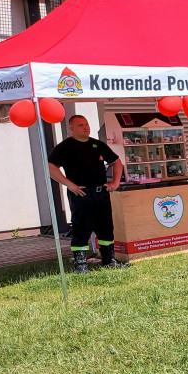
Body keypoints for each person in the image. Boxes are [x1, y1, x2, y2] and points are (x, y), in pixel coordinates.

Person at [47, 115, 125, 273]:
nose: (86, 127)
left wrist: (115, 182)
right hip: (81, 194)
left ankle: (108, 259)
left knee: (106, 228)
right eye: (81, 125)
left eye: (87, 124)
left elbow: (116, 162)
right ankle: (81, 264)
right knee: (81, 228)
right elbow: (51, 167)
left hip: (101, 193)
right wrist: (70, 185)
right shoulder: (65, 147)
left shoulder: (97, 144)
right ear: (72, 129)